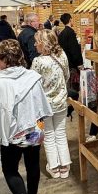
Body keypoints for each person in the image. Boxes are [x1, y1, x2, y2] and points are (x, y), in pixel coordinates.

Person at [0, 40, 52, 194]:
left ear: (5, 59)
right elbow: (41, 104)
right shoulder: (33, 77)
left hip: (13, 134)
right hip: (36, 128)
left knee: (10, 169)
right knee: (32, 165)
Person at [31, 30, 71, 178]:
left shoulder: (38, 61)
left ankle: (54, 168)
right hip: (61, 101)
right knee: (60, 133)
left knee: (48, 135)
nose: (35, 44)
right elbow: (67, 75)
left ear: (43, 44)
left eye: (37, 41)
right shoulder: (62, 55)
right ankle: (65, 168)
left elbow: (33, 83)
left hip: (44, 105)